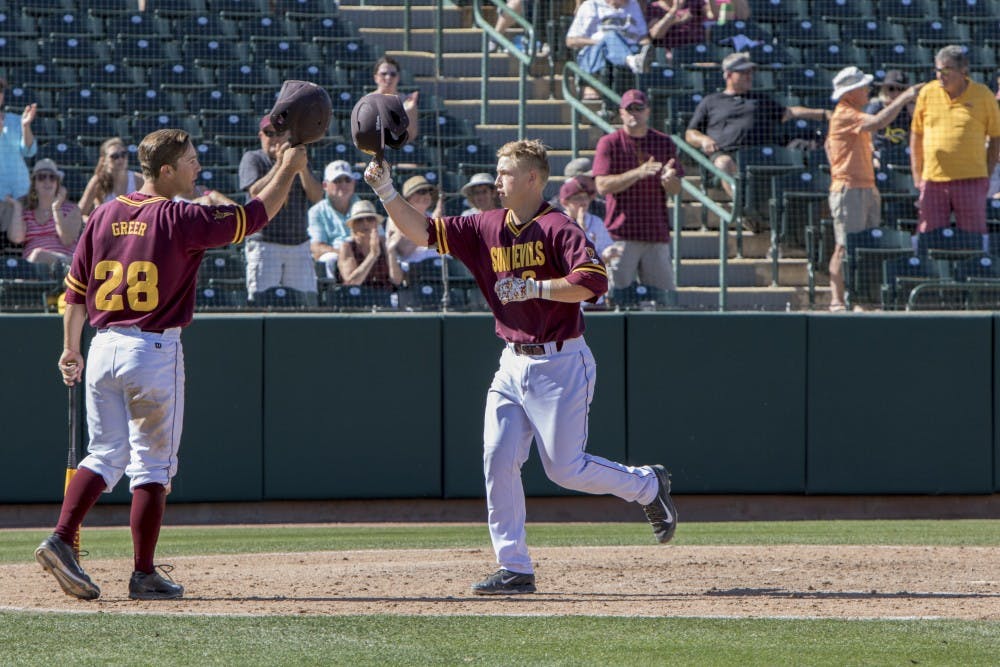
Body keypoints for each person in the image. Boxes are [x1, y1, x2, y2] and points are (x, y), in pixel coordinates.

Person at [363, 138, 677, 595]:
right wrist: (387, 192)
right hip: (512, 362)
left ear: (533, 178)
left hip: (561, 362)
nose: (497, 179)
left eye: (506, 172)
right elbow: (424, 232)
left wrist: (537, 289)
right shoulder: (486, 224)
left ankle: (648, 485)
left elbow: (593, 282)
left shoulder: (557, 226)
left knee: (564, 470)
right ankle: (515, 567)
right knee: (498, 457)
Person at [34, 128, 307, 601]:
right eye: (190, 160)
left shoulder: (104, 213)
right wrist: (289, 166)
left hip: (102, 346)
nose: (197, 166)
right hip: (152, 349)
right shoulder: (180, 216)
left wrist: (70, 348)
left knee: (104, 455)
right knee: (153, 465)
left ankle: (61, 537)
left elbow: (74, 292)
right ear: (165, 170)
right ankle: (142, 574)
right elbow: (254, 217)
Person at [824, 67, 923, 312]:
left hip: (867, 187)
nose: (868, 90)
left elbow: (828, 144)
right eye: (863, 87)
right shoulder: (846, 113)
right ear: (851, 92)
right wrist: (905, 96)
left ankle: (861, 299)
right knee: (844, 246)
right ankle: (836, 299)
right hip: (849, 189)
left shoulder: (853, 112)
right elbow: (878, 122)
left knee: (867, 246)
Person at [684, 52, 830, 204]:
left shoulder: (760, 99)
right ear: (728, 74)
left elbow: (790, 112)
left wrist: (824, 113)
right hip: (727, 153)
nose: (749, 76)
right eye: (743, 72)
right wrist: (703, 139)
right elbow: (690, 133)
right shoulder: (711, 101)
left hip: (760, 153)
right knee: (724, 163)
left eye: (750, 72)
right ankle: (742, 210)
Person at [593, 89, 683, 304]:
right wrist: (638, 173)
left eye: (639, 108)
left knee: (665, 301)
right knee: (617, 299)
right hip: (621, 234)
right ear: (621, 113)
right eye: (629, 109)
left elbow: (676, 189)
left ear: (648, 111)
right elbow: (602, 186)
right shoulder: (610, 142)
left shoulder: (663, 142)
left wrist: (670, 180)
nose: (634, 113)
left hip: (655, 233)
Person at [910, 45, 1000, 236]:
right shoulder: (927, 93)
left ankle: (972, 267)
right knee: (929, 236)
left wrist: (986, 173)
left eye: (946, 70)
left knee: (973, 237)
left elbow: (995, 138)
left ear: (963, 70)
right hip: (933, 180)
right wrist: (917, 175)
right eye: (937, 70)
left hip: (971, 181)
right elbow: (916, 135)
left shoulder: (983, 95)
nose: (940, 75)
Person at [239, 114, 323, 305]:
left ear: (289, 136)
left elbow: (317, 196)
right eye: (269, 133)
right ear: (261, 135)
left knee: (306, 304)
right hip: (264, 243)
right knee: (261, 303)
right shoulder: (253, 158)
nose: (275, 138)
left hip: (299, 244)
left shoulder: (299, 158)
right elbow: (255, 193)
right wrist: (280, 164)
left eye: (280, 133)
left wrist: (301, 167)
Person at [566, 0, 651, 100]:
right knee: (610, 36)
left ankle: (633, 61)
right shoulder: (591, 5)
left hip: (629, 50)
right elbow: (570, 41)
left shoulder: (633, 4)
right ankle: (632, 61)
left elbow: (643, 37)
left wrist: (646, 45)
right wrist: (602, 42)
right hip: (594, 57)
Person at [6, 159, 83, 268]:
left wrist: (56, 208)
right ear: (34, 184)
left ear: (57, 183)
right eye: (42, 177)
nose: (47, 181)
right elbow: (16, 237)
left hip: (66, 268)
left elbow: (67, 239)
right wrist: (17, 207)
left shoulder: (72, 209)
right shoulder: (26, 212)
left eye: (52, 177)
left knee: (38, 254)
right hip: (34, 270)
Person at [307, 160, 359, 280]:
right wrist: (344, 255)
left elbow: (379, 239)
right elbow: (316, 247)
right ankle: (332, 294)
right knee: (329, 258)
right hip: (335, 256)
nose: (343, 184)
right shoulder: (316, 211)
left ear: (354, 183)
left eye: (347, 180)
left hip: (363, 255)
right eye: (337, 181)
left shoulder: (364, 207)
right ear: (325, 185)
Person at [0, 77, 38, 241]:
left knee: (19, 240)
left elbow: (29, 151)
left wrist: (26, 126)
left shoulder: (15, 120)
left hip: (19, 192)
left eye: (0, 90)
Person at [337, 199, 403, 290]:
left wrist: (390, 252)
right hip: (358, 298)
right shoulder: (347, 247)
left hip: (386, 296)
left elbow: (397, 280)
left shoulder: (385, 243)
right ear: (353, 226)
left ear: (376, 223)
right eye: (359, 220)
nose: (365, 223)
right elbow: (352, 283)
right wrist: (373, 255)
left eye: (370, 219)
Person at [646, 0, 750, 54]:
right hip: (672, 52)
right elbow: (655, 34)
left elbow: (714, 15)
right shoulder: (654, 7)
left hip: (699, 48)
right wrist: (674, 12)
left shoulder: (693, 2)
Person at [79, 137, 146, 220]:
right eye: (114, 156)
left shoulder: (139, 180)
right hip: (106, 229)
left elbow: (151, 210)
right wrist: (95, 223)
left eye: (123, 154)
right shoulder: (98, 181)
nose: (120, 159)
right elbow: (80, 213)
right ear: (104, 160)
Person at [559, 176, 619, 266]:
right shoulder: (558, 222)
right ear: (565, 203)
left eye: (585, 197)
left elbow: (604, 249)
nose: (584, 202)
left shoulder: (596, 221)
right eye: (577, 198)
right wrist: (581, 227)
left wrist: (608, 252)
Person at [386, 175, 443, 270]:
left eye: (428, 192)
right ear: (408, 198)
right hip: (415, 269)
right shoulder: (396, 217)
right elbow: (404, 251)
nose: (425, 195)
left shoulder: (434, 216)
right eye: (421, 192)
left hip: (442, 265)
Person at [864, 70, 915, 165]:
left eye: (900, 89)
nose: (895, 93)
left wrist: (911, 106)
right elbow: (868, 137)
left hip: (902, 155)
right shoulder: (876, 106)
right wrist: (873, 156)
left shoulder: (908, 108)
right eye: (891, 89)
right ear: (884, 89)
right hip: (880, 154)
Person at [372, 55, 419, 144]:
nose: (388, 77)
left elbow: (411, 136)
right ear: (376, 77)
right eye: (384, 74)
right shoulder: (368, 100)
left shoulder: (407, 101)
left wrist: (407, 112)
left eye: (393, 74)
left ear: (398, 78)